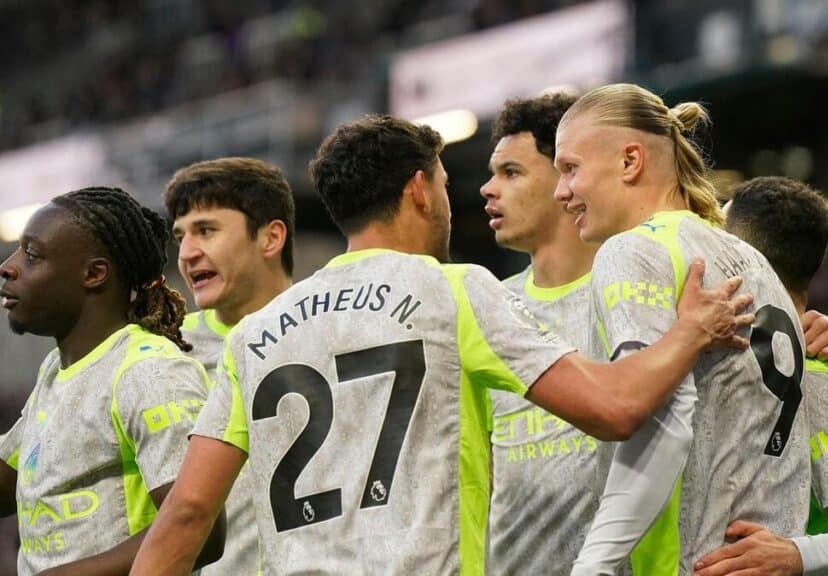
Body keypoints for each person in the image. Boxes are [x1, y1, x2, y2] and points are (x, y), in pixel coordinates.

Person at [131, 114, 755, 575]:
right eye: (446, 182)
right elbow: (615, 409)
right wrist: (690, 330)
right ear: (420, 191)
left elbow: (186, 513)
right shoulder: (451, 291)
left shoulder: (257, 333)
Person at [554, 84, 810, 575]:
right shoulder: (753, 261)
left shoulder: (634, 251)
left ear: (630, 161)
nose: (560, 191)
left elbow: (660, 421)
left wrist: (594, 565)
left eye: (570, 168)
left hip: (691, 561)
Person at [482, 93, 675, 574]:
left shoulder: (642, 291)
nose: (487, 188)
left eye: (511, 172)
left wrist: (823, 333)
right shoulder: (486, 307)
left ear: (567, 175)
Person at [690, 176, 828, 575]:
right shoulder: (757, 361)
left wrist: (793, 555)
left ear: (740, 257)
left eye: (717, 240)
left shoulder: (814, 377)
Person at [0, 187, 222, 575]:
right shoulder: (58, 369)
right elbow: (11, 482)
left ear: (93, 274)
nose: (9, 266)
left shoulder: (148, 372)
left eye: (32, 255)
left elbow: (199, 528)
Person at [165, 157, 296, 575]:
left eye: (206, 230)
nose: (186, 253)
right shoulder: (164, 353)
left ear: (271, 238)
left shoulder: (330, 327)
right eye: (180, 236)